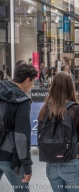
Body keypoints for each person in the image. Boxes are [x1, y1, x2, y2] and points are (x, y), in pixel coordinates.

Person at [38, 72, 79, 192]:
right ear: (71, 87)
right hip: (70, 161)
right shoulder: (77, 110)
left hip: (51, 163)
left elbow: (40, 135)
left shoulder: (45, 109)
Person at [0, 63, 38, 191]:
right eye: (33, 81)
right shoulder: (22, 100)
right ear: (27, 80)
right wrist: (27, 165)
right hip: (9, 157)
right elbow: (21, 136)